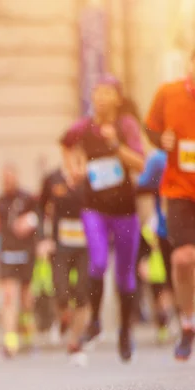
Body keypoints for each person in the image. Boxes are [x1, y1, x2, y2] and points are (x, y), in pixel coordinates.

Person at [60, 75, 145, 362]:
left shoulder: (126, 126)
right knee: (97, 262)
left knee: (125, 277)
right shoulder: (84, 127)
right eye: (96, 92)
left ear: (117, 99)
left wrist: (115, 145)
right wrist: (73, 169)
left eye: (107, 92)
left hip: (124, 210)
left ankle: (124, 330)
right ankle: (95, 321)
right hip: (93, 207)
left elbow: (141, 162)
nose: (100, 97)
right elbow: (65, 142)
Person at [145, 50, 195, 361]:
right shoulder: (168, 93)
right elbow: (151, 127)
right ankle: (187, 323)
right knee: (181, 259)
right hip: (178, 189)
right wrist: (159, 139)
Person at [38, 157, 90, 363]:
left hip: (86, 245)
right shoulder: (52, 178)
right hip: (61, 244)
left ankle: (74, 343)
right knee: (60, 291)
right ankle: (64, 318)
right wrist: (43, 238)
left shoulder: (91, 178)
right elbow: (40, 207)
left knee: (82, 292)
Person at [0, 164, 39, 357]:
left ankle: (28, 339)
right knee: (9, 297)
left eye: (11, 178)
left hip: (26, 253)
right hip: (8, 253)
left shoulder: (27, 199)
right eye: (5, 179)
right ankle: (10, 343)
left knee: (26, 300)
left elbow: (38, 219)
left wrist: (28, 223)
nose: (8, 182)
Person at [136, 149, 174, 344]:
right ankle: (163, 324)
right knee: (161, 290)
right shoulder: (159, 159)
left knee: (172, 286)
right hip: (156, 261)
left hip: (173, 240)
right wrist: (143, 260)